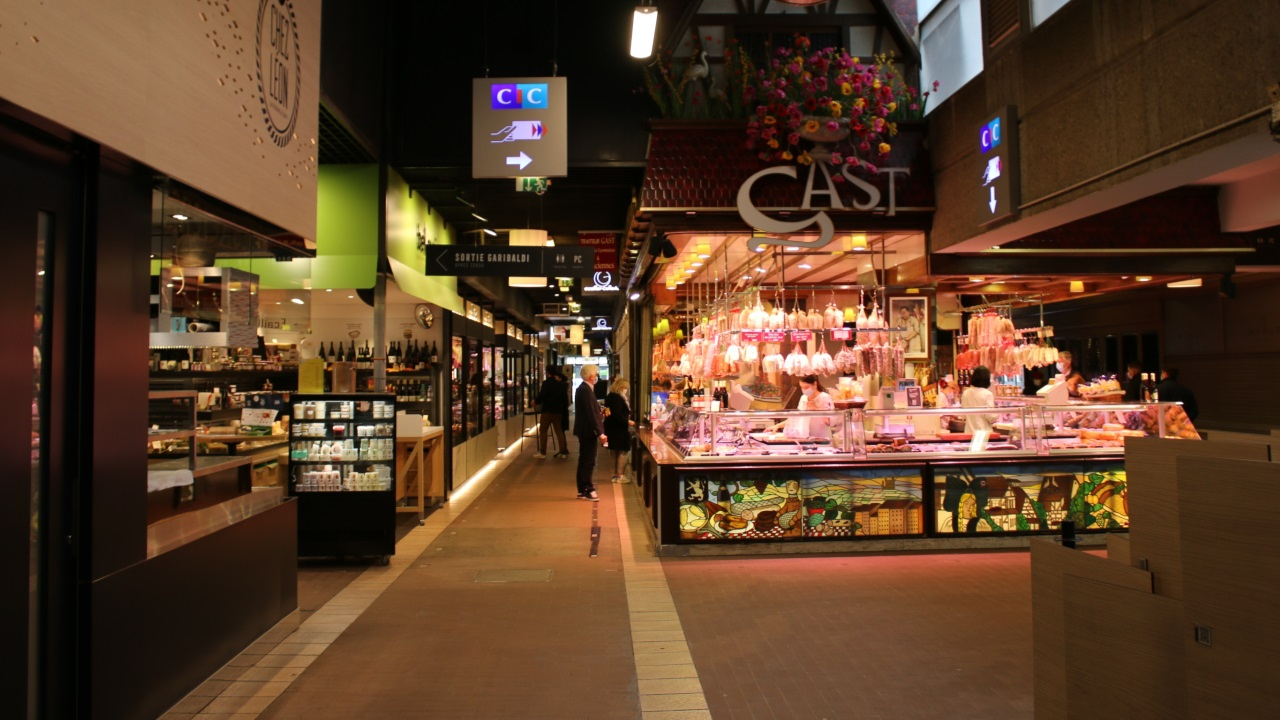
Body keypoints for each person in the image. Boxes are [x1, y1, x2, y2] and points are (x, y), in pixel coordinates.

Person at [572, 364, 607, 501]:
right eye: (596, 374)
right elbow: (590, 413)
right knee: (588, 460)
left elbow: (592, 411)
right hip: (587, 431)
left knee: (584, 460)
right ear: (591, 376)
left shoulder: (584, 389)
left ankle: (582, 489)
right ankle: (588, 488)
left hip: (584, 430)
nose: (597, 376)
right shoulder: (585, 390)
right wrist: (600, 432)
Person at [774, 374, 835, 440]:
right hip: (806, 438)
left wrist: (816, 409)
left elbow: (830, 422)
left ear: (815, 384)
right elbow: (798, 418)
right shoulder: (803, 398)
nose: (804, 390)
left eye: (806, 387)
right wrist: (778, 426)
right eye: (802, 387)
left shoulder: (825, 397)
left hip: (822, 439)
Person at [603, 378, 635, 484]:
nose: (626, 390)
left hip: (610, 428)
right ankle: (620, 475)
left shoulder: (610, 396)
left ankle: (614, 475)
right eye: (625, 388)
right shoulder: (618, 398)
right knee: (623, 450)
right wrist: (627, 421)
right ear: (621, 387)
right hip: (619, 428)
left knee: (613, 451)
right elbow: (617, 414)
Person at [533, 370, 568, 459]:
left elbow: (542, 395)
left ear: (548, 373)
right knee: (559, 431)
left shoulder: (546, 383)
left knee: (543, 430)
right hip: (558, 412)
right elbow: (565, 399)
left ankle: (543, 452)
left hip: (547, 411)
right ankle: (563, 452)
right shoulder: (561, 384)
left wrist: (536, 401)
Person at [960, 365, 998, 433]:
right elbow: (991, 417)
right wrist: (997, 413)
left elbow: (963, 416)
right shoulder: (987, 394)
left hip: (968, 432)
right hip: (983, 434)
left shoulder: (966, 393)